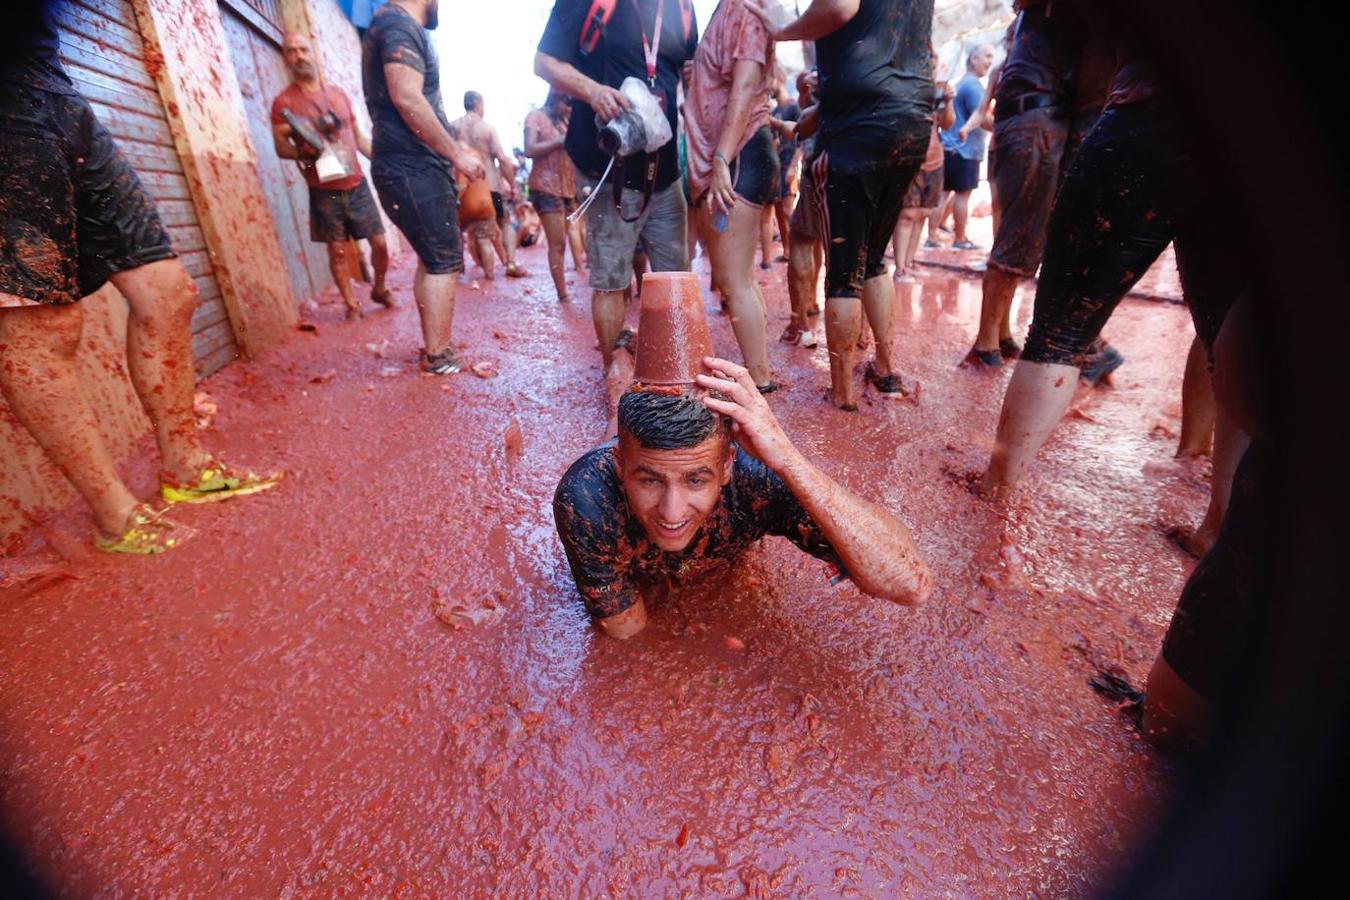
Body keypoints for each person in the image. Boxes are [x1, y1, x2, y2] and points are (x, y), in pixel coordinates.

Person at [1, 0, 278, 554]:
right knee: (42, 326)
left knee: (168, 292)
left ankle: (185, 468)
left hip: (52, 86)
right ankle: (115, 516)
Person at [978, 40, 1245, 541]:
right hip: (1250, 144)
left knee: (1059, 331)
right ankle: (1218, 528)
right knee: (1228, 340)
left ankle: (997, 486)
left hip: (1150, 112)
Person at [553, 357, 933, 638]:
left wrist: (788, 459)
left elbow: (910, 586)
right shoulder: (587, 500)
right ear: (621, 468)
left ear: (727, 466)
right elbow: (627, 633)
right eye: (649, 481)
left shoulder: (759, 480)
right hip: (615, 458)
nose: (672, 511)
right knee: (616, 406)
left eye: (697, 480)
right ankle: (620, 359)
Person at [749, 0, 934, 410]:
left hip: (858, 126)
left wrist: (784, 29)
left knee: (843, 273)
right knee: (875, 261)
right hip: (913, 117)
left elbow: (837, 6)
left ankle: (842, 393)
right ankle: (885, 370)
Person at [535, 0, 699, 383]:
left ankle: (678, 367)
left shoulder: (683, 8)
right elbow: (544, 62)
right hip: (607, 170)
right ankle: (615, 376)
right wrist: (593, 92)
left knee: (677, 276)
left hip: (664, 172)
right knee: (611, 281)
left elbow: (688, 69)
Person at [962, 2, 1096, 369]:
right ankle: (986, 344)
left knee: (1020, 234)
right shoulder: (1026, 45)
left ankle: (999, 335)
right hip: (1041, 121)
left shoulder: (1027, 39)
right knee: (1019, 237)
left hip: (1032, 122)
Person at [361, 0, 485, 375]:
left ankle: (435, 347)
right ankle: (438, 355)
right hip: (412, 166)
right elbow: (407, 95)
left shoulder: (389, 23)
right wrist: (455, 153)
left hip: (405, 166)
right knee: (443, 260)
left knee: (434, 259)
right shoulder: (400, 25)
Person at [683, 0, 780, 392]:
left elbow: (744, 84)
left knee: (733, 278)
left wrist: (722, 157)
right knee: (736, 277)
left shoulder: (742, 9)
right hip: (731, 154)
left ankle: (759, 385)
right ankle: (761, 377)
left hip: (737, 154)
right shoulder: (727, 10)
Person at [270, 31, 393, 322]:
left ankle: (379, 288)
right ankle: (351, 306)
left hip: (356, 182)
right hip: (323, 189)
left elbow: (360, 138)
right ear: (285, 58)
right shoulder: (283, 104)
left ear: (313, 53)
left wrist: (388, 159)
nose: (299, 55)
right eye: (291, 51)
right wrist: (306, 150)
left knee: (380, 244)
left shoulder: (337, 95)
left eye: (303, 49)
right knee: (337, 251)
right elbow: (280, 149)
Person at [451, 91, 529, 279]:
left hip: (460, 189)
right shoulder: (486, 128)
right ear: (478, 104)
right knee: (504, 222)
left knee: (463, 231)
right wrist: (512, 185)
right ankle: (509, 262)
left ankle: (463, 271)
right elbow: (502, 158)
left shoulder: (452, 127)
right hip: (489, 187)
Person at [893, 48, 955, 280]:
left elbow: (948, 124)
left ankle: (909, 262)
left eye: (935, 59)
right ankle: (899, 268)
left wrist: (948, 101)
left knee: (923, 213)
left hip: (935, 157)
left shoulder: (939, 89)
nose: (933, 62)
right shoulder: (907, 86)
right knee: (907, 214)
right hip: (911, 157)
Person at [934, 43, 994, 251]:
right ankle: (960, 239)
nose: (990, 61)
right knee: (962, 195)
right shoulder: (973, 86)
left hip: (952, 146)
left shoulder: (962, 83)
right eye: (986, 55)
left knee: (943, 194)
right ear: (973, 59)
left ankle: (932, 236)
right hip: (964, 148)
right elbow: (984, 119)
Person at [779, 69, 821, 349]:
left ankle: (801, 325)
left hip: (822, 168)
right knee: (859, 254)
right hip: (865, 165)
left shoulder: (818, 94)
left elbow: (801, 129)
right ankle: (863, 334)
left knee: (802, 241)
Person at [524, 91, 579, 302]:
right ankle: (563, 295)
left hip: (566, 188)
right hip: (545, 187)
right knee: (557, 244)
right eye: (566, 102)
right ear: (555, 97)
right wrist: (560, 141)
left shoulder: (564, 121)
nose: (569, 108)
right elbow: (529, 149)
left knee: (564, 240)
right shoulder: (535, 117)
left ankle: (564, 290)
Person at [768, 76, 801, 264]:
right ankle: (787, 250)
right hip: (777, 164)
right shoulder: (775, 110)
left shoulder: (794, 107)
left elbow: (801, 139)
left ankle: (795, 250)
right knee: (779, 209)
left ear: (778, 78)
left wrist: (794, 165)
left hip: (789, 163)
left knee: (788, 210)